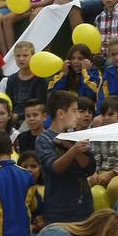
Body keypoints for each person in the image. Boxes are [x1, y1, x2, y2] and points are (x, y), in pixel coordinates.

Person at [36, 91, 95, 226]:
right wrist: (73, 150)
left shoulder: (76, 136)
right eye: (74, 111)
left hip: (84, 207)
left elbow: (91, 167)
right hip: (59, 210)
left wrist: (69, 146)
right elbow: (55, 168)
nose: (78, 116)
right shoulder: (44, 139)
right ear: (61, 113)